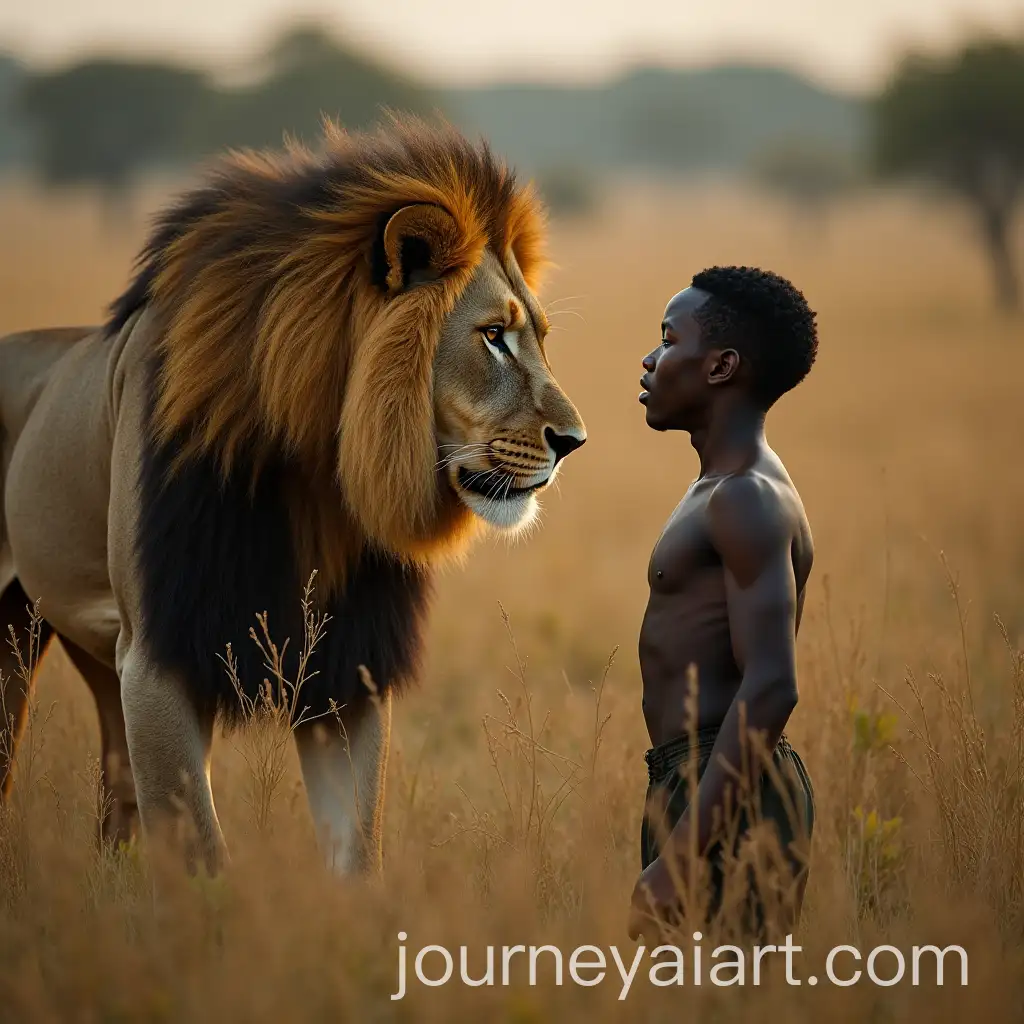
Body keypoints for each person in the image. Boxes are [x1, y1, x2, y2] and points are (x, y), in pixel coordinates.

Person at [626, 265, 818, 943]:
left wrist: (679, 859)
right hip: (698, 781)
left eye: (668, 340)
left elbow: (770, 686)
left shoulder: (744, 497)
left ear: (721, 366)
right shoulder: (721, 487)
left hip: (727, 785)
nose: (650, 361)